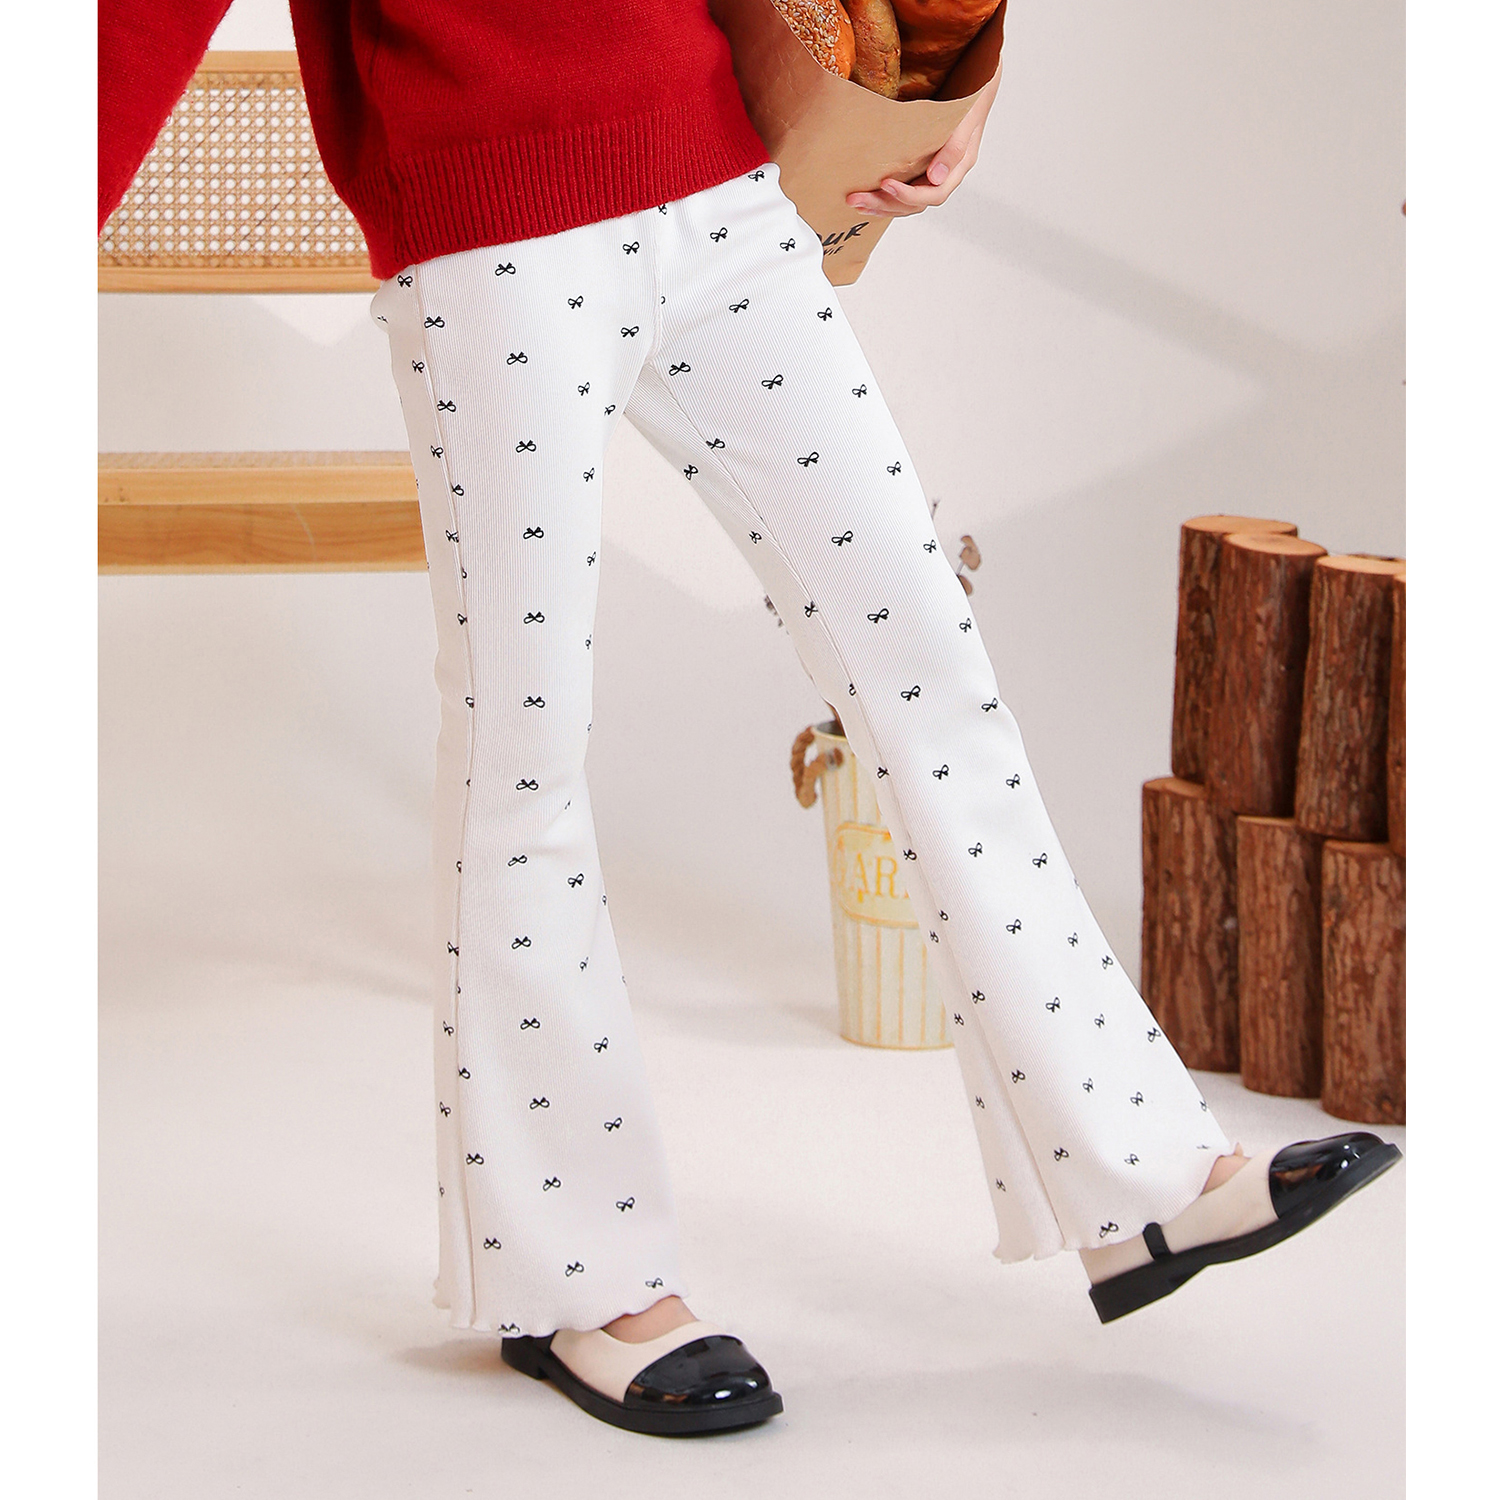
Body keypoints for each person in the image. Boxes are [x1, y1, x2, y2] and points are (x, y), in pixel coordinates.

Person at [99, 0, 1402, 1440]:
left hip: (720, 186)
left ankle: (1147, 1178)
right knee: (525, 757)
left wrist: (953, 75)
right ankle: (578, 1280)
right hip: (492, 234)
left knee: (928, 661)